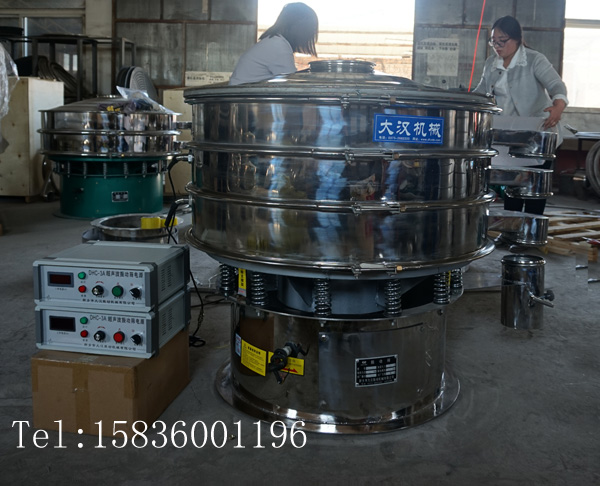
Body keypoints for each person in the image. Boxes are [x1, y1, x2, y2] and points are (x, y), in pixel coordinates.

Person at [473, 15, 568, 214]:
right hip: (509, 136)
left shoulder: (534, 60)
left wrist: (558, 106)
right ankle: (512, 227)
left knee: (534, 189)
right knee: (512, 188)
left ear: (516, 39)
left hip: (537, 134)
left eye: (502, 41)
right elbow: (481, 92)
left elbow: (556, 85)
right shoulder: (491, 64)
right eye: (493, 41)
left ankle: (532, 229)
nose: (497, 46)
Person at [229, 2, 318, 86]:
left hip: (242, 92)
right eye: (310, 29)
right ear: (298, 27)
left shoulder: (274, 41)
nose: (311, 34)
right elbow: (290, 82)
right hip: (242, 95)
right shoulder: (278, 46)